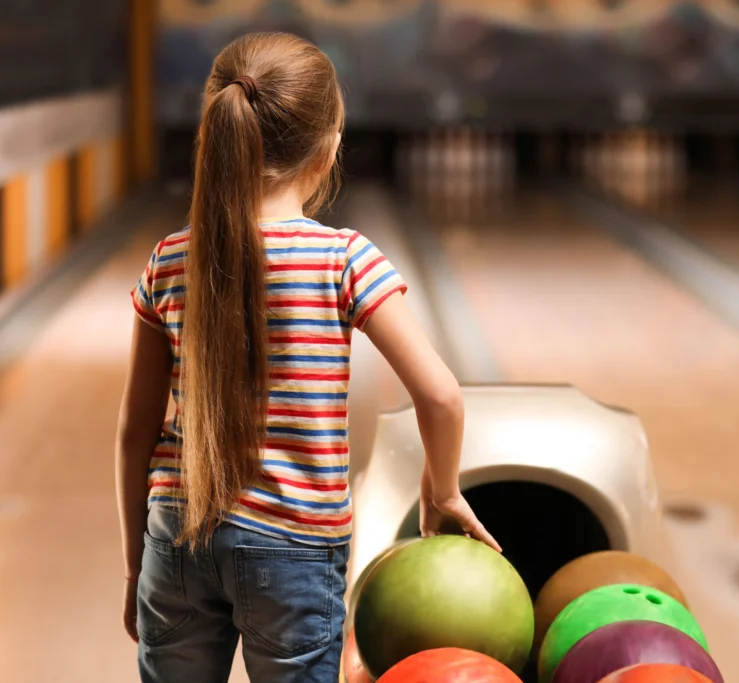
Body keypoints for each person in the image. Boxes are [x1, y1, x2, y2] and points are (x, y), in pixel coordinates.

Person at [115, 32, 498, 683]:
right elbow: (441, 396)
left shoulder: (169, 259)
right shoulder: (344, 259)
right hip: (295, 547)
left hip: (174, 535)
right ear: (327, 150)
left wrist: (135, 564)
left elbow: (135, 431)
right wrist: (442, 489)